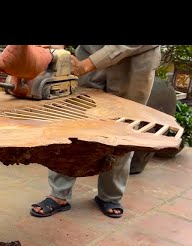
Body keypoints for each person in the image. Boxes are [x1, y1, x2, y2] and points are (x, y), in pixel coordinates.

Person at [30, 45, 161, 219]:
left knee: (123, 128)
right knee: (72, 121)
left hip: (134, 62)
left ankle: (110, 196)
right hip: (89, 50)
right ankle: (59, 194)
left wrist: (85, 66)